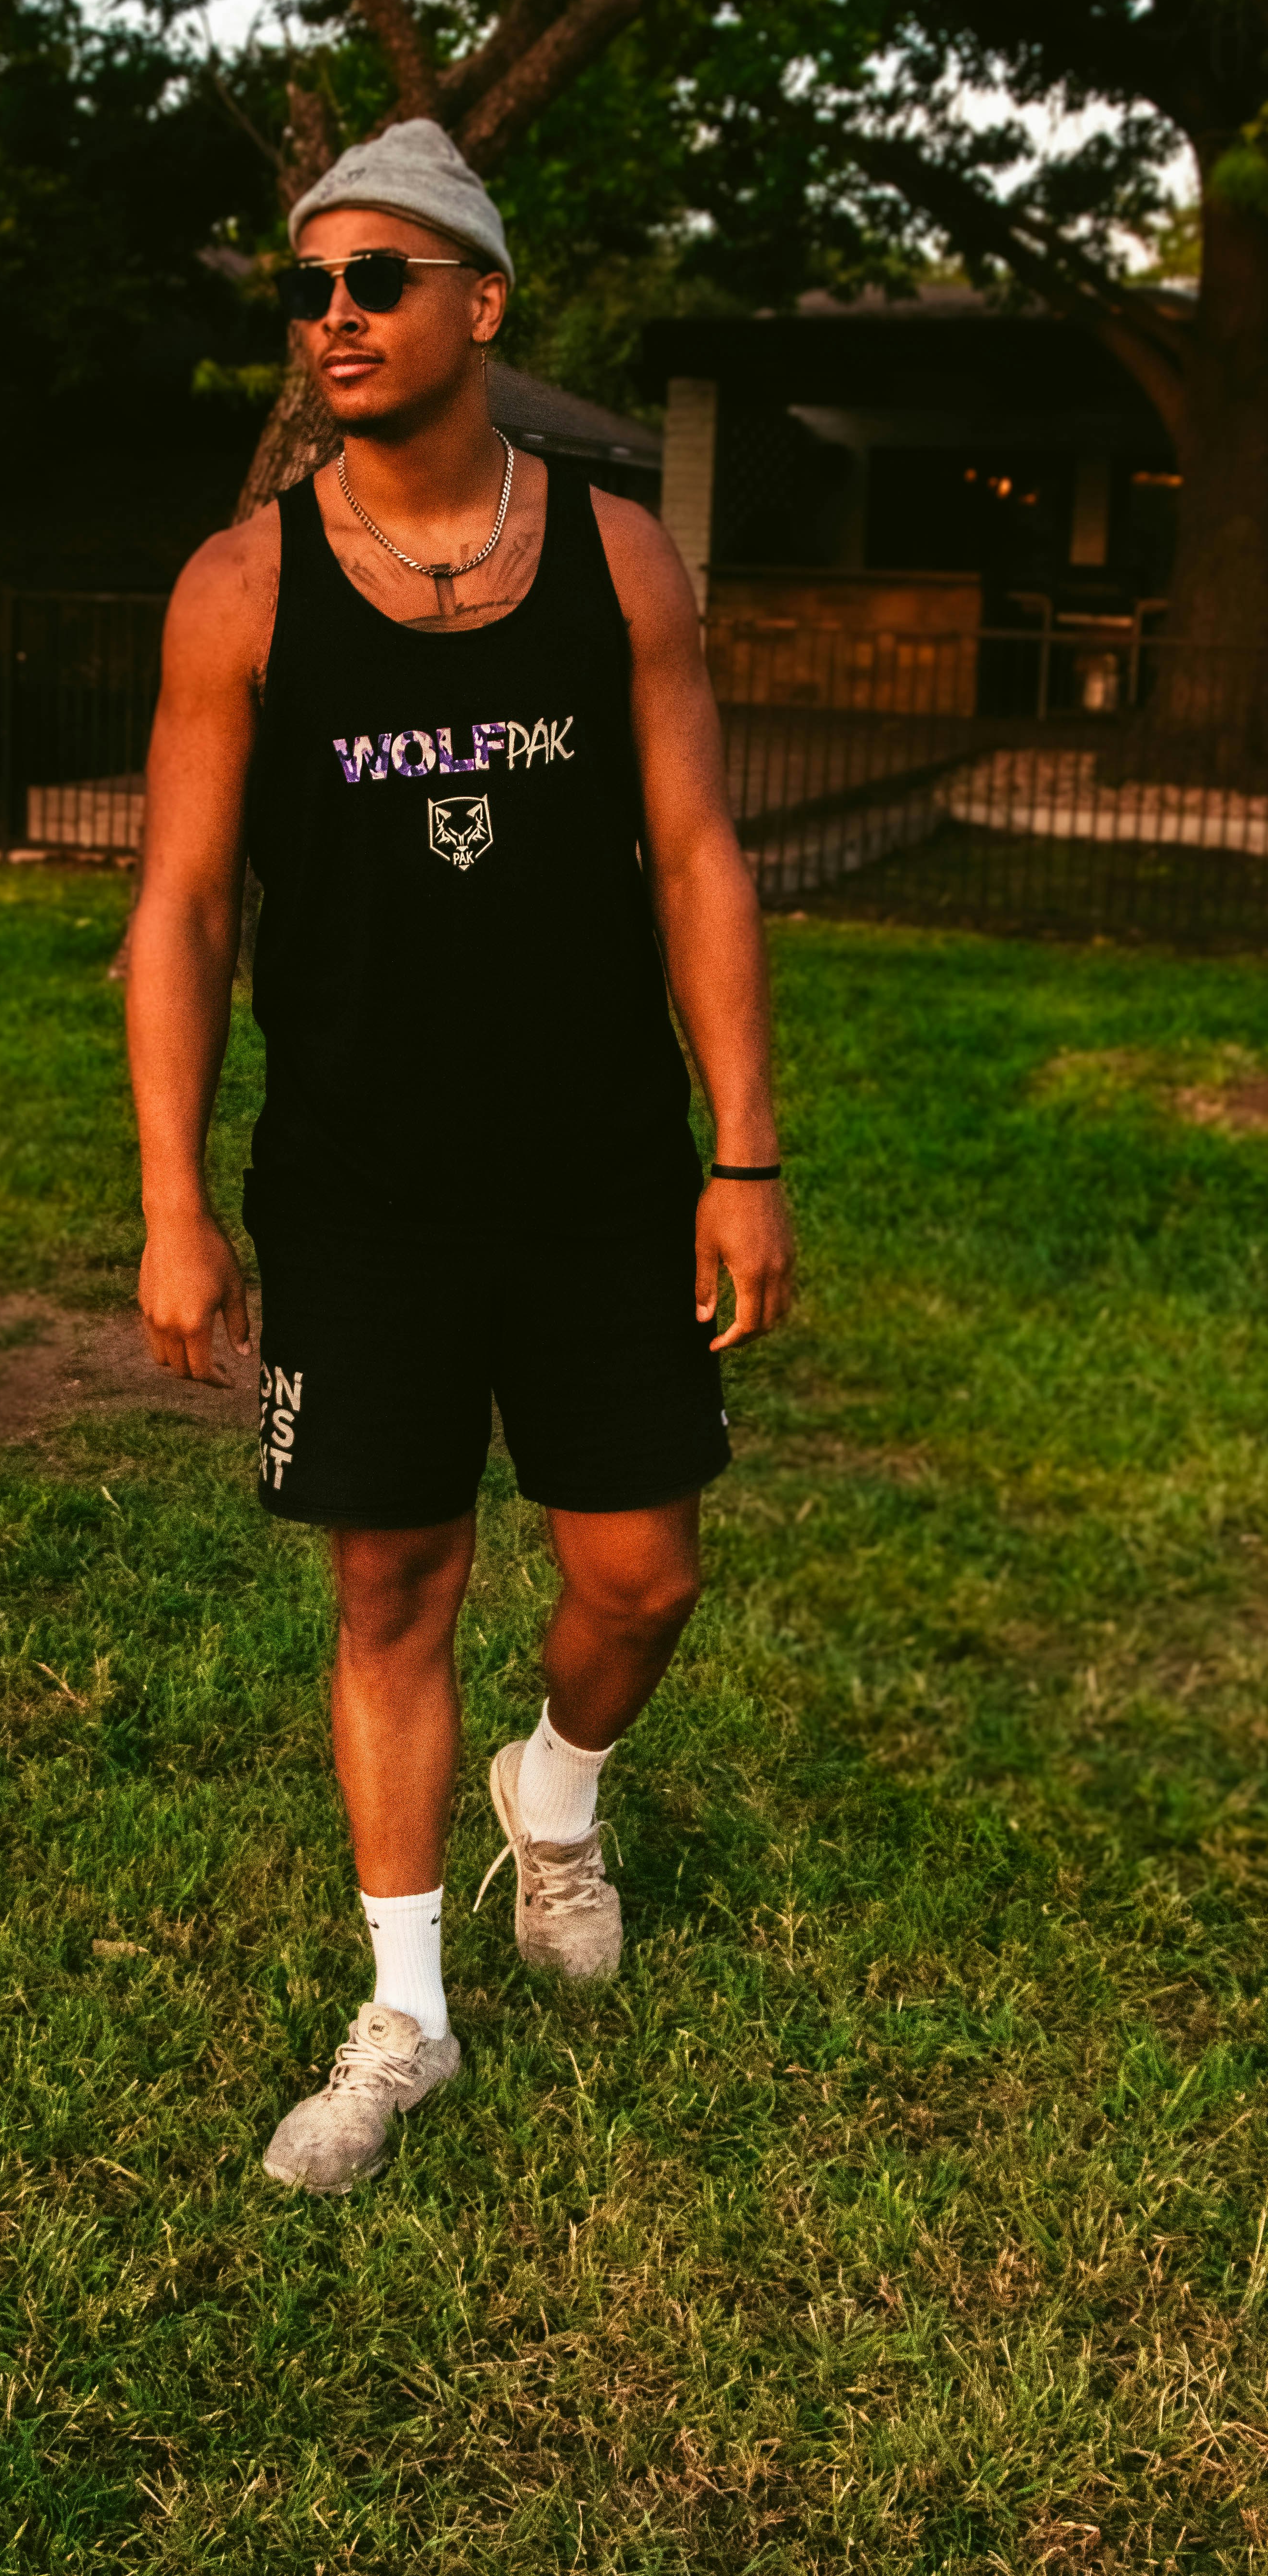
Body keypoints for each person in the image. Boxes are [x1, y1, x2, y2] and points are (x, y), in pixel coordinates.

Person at [126, 120, 794, 2192]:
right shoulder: (241, 586)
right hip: (360, 1182)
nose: (331, 314)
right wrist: (170, 1197)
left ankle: (558, 1804)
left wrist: (743, 1152)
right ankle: (406, 2011)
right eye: (307, 288)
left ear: (480, 305)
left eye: (375, 280)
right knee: (393, 1578)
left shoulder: (614, 556)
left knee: (640, 1574)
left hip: (600, 1164)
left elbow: (692, 850)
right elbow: (178, 908)